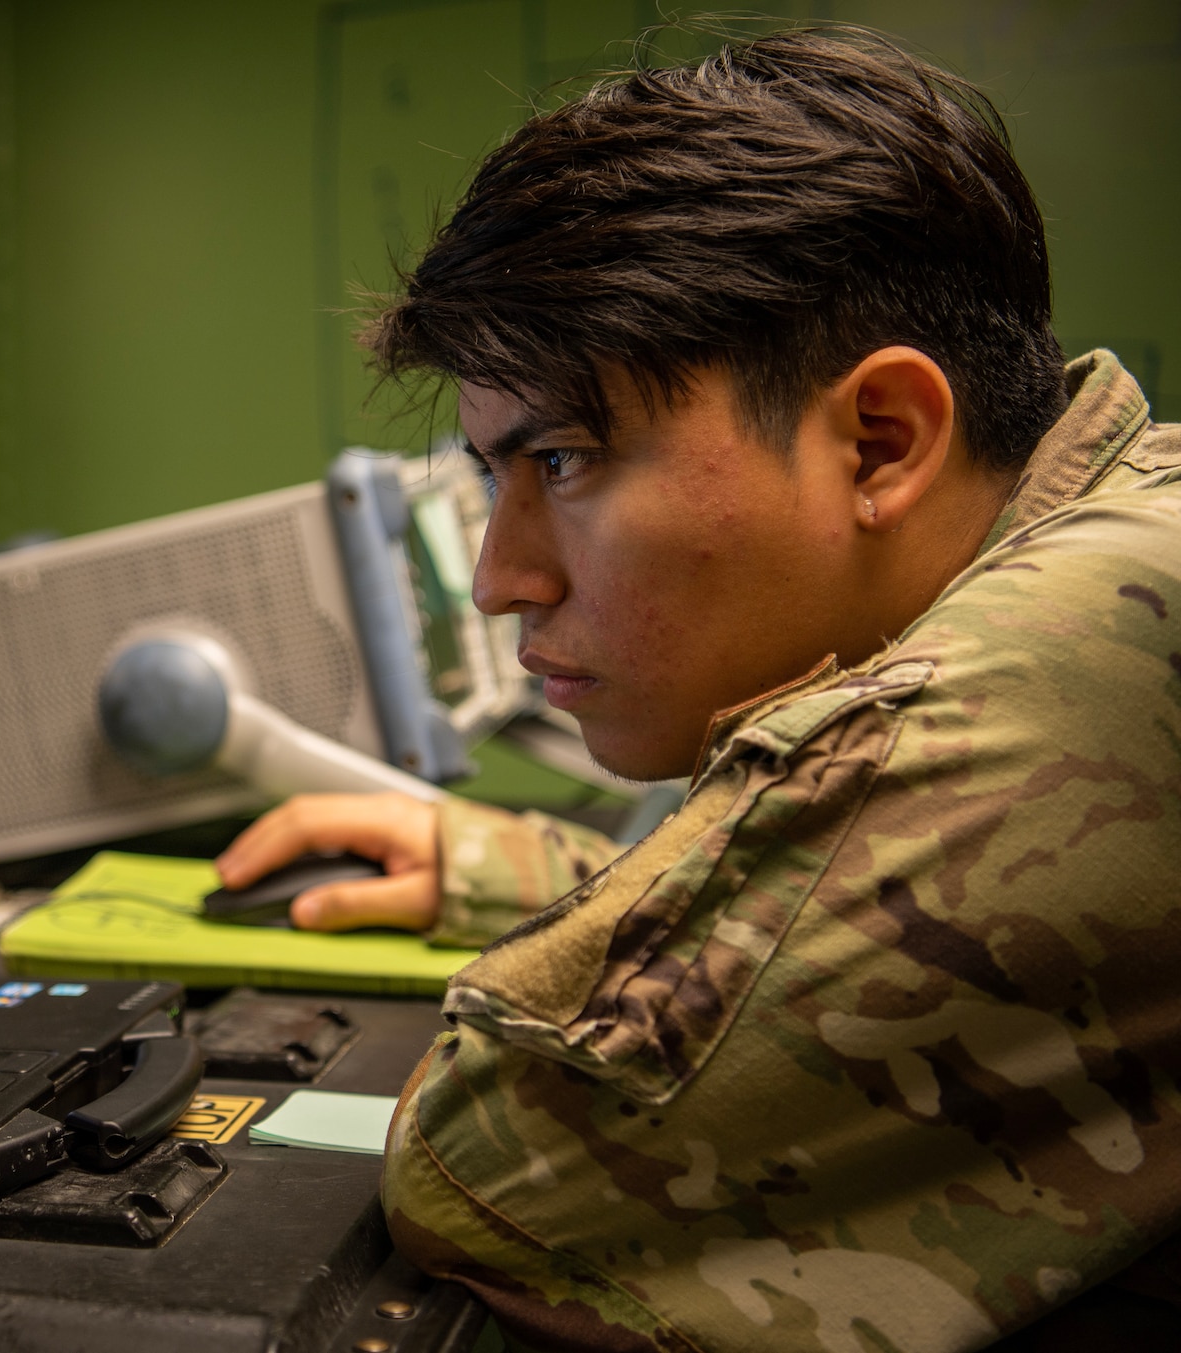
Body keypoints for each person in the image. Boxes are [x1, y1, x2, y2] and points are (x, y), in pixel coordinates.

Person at [214, 26, 1181, 1352]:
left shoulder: (1085, 651)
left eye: (558, 460)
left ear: (877, 440)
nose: (501, 579)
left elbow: (493, 1161)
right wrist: (513, 869)